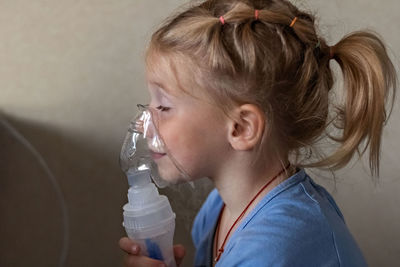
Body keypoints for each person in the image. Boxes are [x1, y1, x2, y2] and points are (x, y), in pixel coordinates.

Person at [119, 0, 397, 266]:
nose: (144, 123)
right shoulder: (219, 207)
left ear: (241, 128)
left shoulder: (276, 251)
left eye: (164, 106)